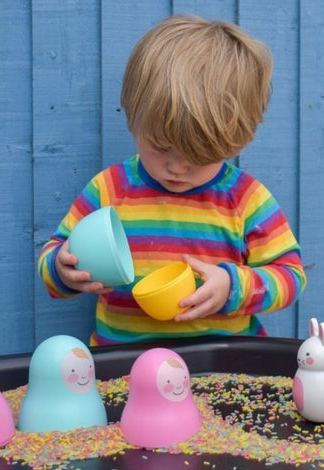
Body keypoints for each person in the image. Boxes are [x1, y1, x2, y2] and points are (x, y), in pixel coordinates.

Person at [38, 15, 307, 346]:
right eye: (161, 147)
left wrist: (231, 287)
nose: (178, 167)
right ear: (134, 118)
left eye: (201, 155)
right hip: (125, 369)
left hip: (222, 368)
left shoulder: (246, 199)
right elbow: (56, 253)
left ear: (235, 142)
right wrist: (62, 270)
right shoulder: (110, 189)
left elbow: (291, 276)